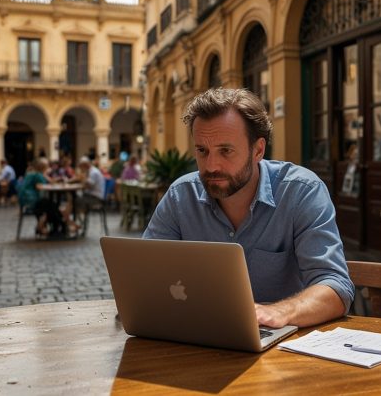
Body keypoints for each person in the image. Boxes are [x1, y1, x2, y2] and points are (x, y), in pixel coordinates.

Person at [143, 88, 355, 329]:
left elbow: (336, 287)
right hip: (196, 338)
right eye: (202, 151)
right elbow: (145, 277)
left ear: (258, 150)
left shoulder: (300, 191)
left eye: (226, 150)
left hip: (280, 347)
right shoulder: (181, 196)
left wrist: (278, 312)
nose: (211, 166)